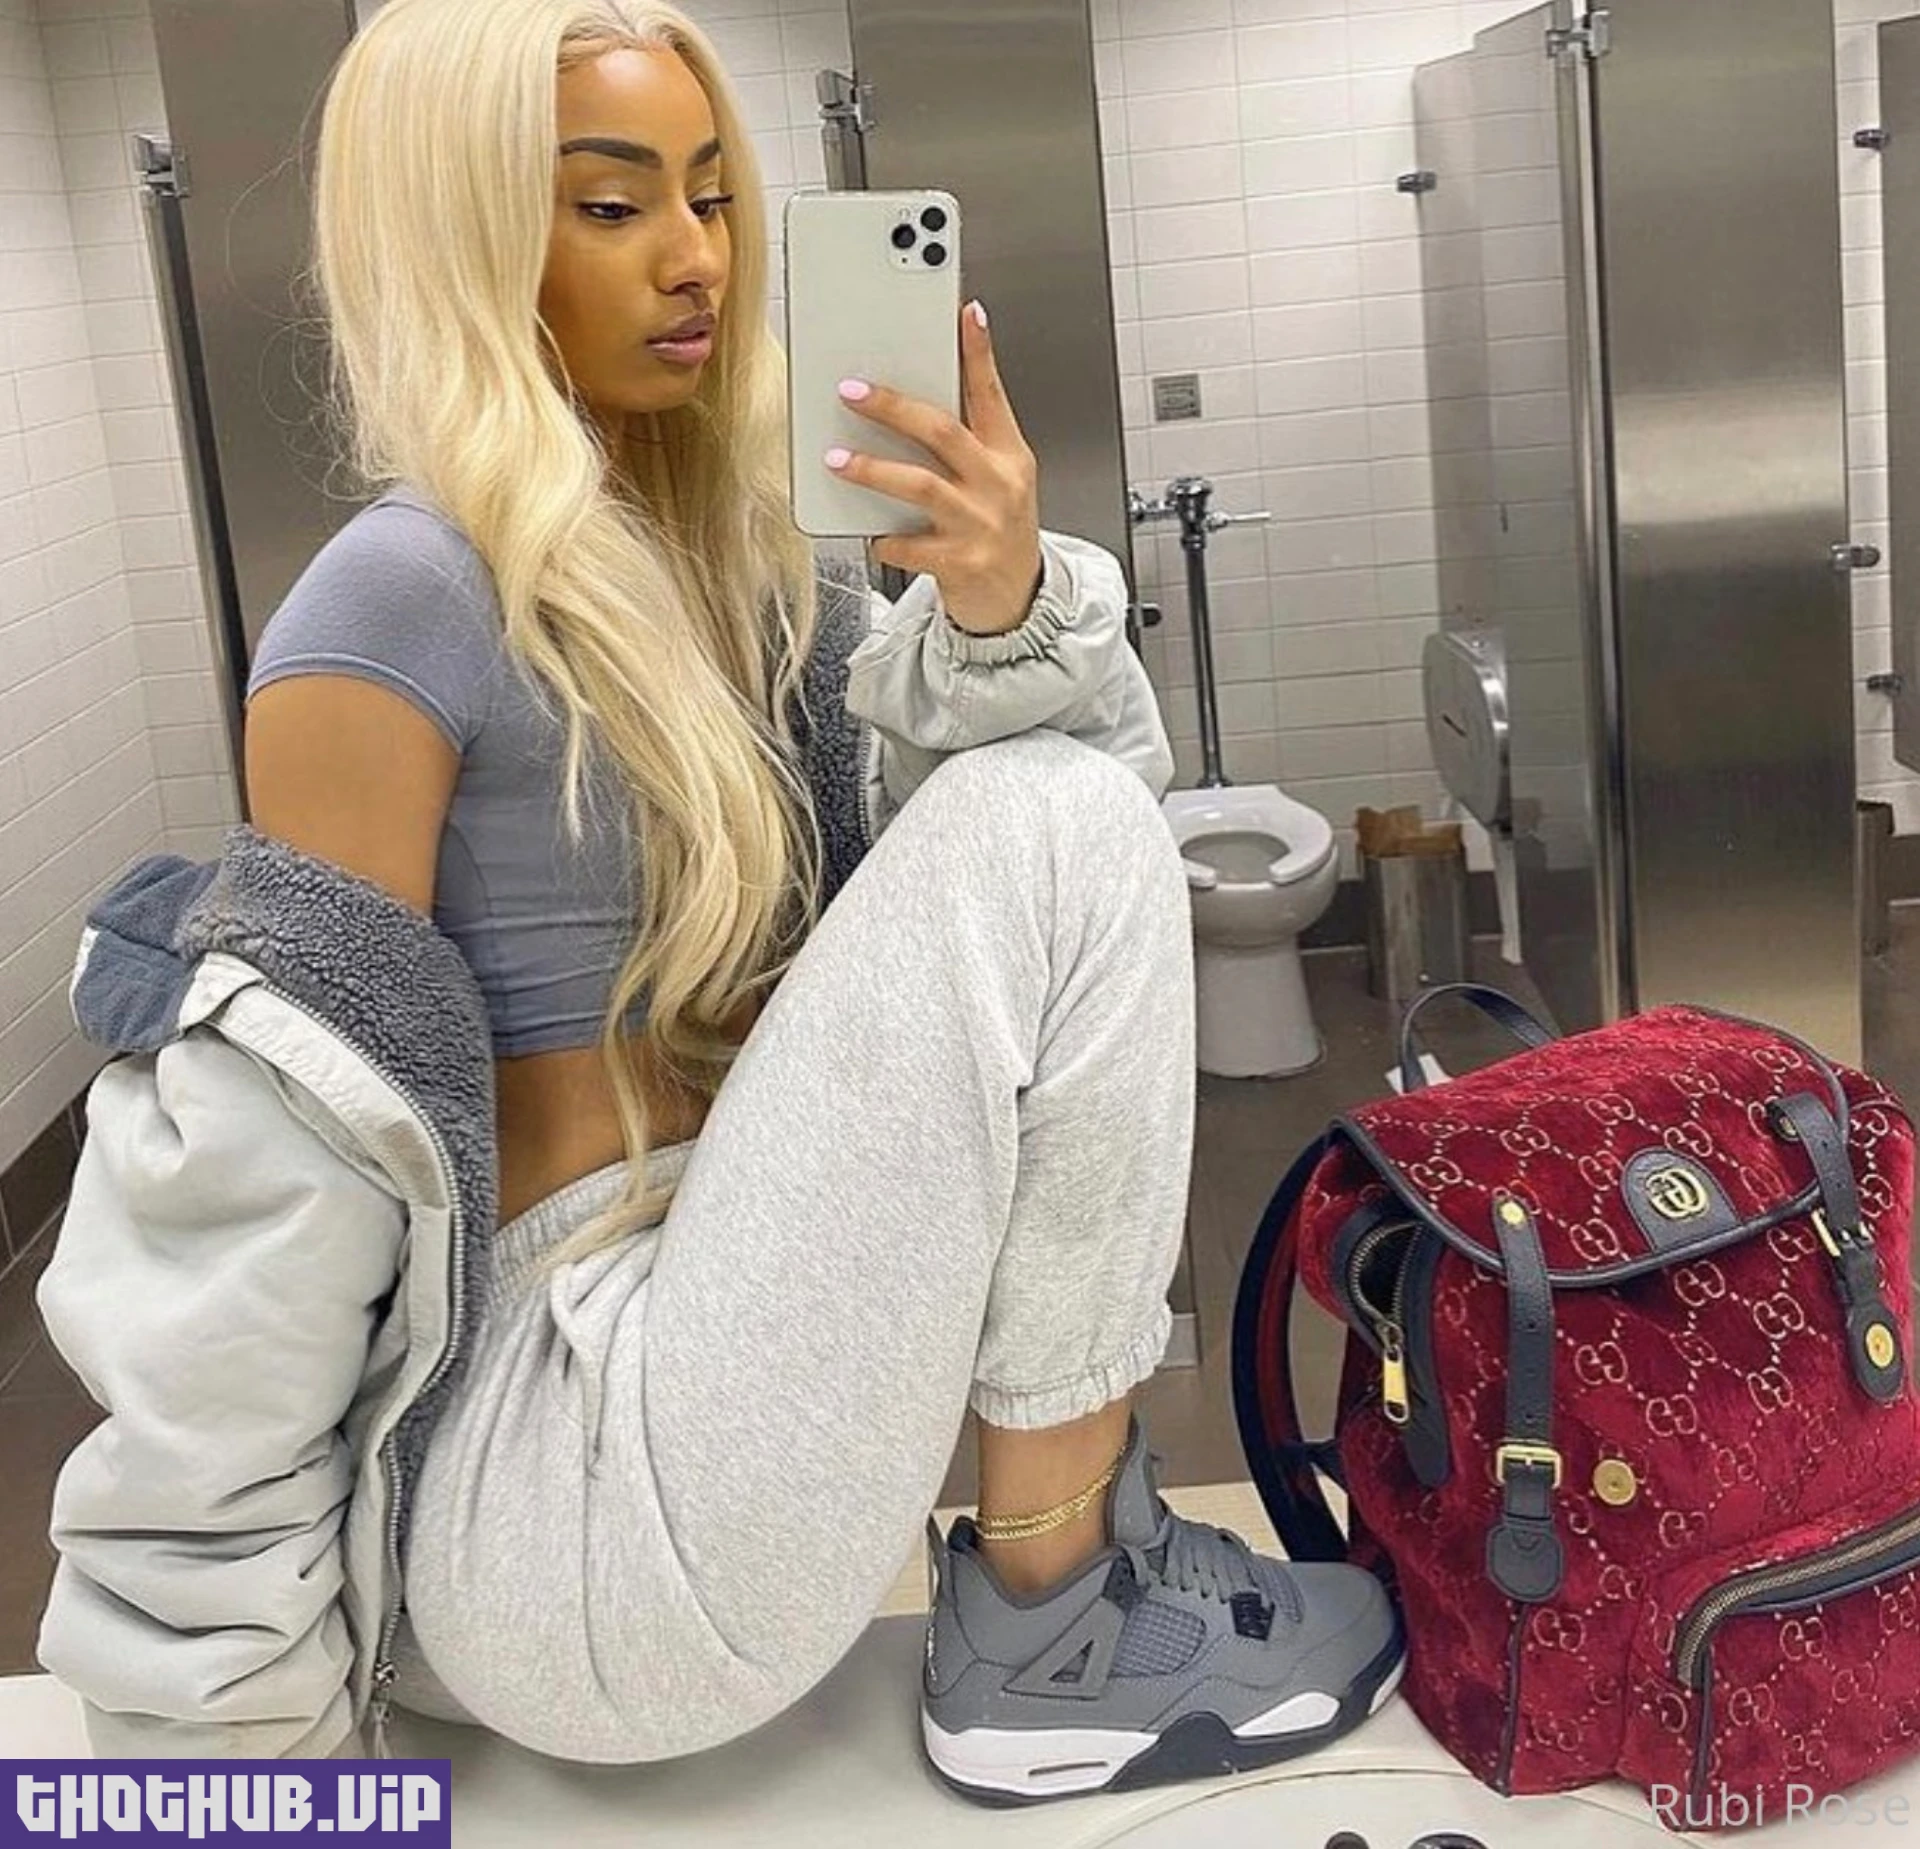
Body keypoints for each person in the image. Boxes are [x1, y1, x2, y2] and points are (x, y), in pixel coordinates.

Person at [35, 0, 1400, 1800]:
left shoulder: (755, 576)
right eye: (611, 207)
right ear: (462, 239)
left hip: (719, 1377)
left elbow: (1067, 941)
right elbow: (259, 1190)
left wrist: (1000, 607)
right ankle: (1057, 1613)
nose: (694, 257)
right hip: (562, 1496)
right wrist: (228, 1773)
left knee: (1063, 810)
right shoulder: (388, 610)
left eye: (712, 195)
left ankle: (1070, 1579)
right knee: (1053, 812)